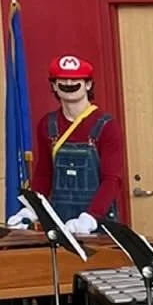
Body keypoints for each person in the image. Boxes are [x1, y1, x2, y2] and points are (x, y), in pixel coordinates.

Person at [18, 54, 124, 229]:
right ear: (54, 86)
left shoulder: (107, 126)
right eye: (62, 80)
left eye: (75, 80)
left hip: (98, 222)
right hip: (59, 220)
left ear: (88, 85)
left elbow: (112, 180)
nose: (68, 84)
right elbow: (44, 174)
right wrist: (30, 209)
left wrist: (90, 218)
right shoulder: (47, 124)